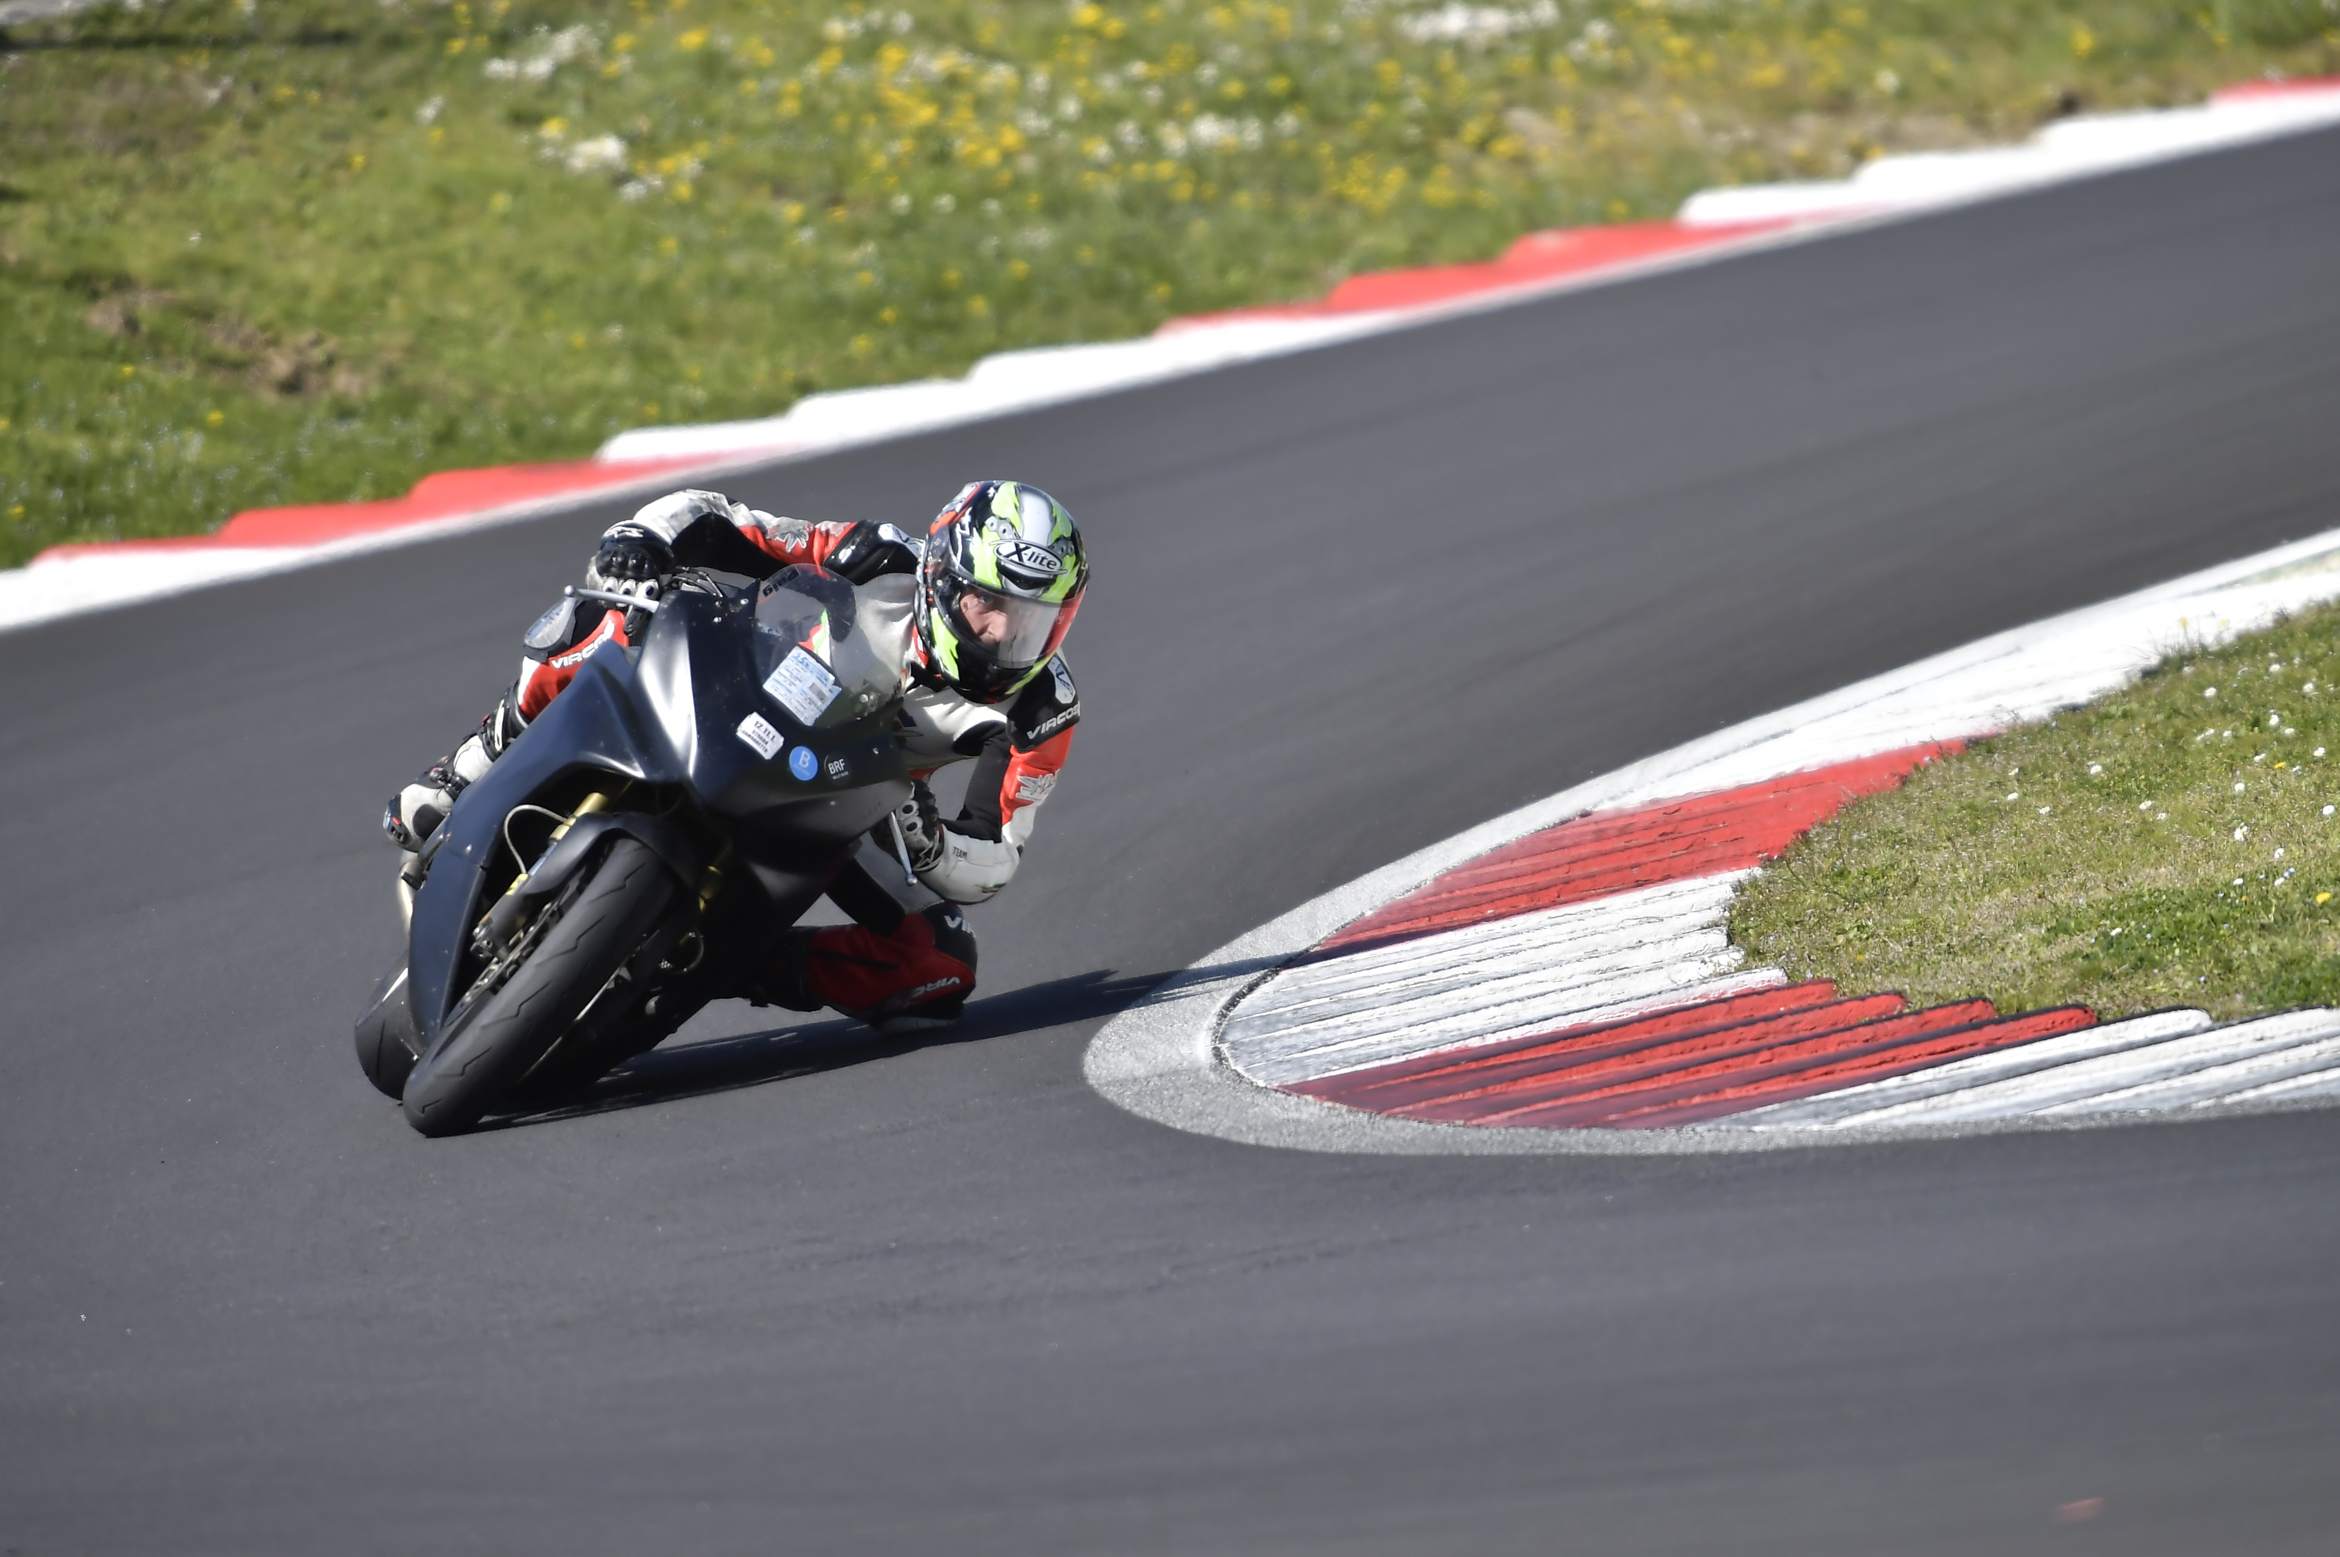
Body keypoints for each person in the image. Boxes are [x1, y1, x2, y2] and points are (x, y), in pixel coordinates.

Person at [383, 479, 1089, 1034]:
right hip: (747, 693)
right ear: (943, 576)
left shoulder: (1040, 708)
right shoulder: (877, 556)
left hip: (851, 804)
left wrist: (931, 844)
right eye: (988, 607)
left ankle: (726, 964)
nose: (1003, 637)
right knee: (612, 612)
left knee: (938, 966)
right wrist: (642, 540)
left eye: (1033, 623)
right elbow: (724, 519)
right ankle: (465, 768)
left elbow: (997, 855)